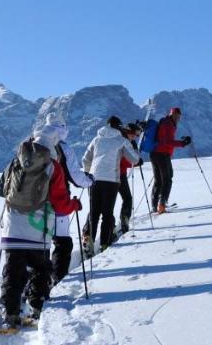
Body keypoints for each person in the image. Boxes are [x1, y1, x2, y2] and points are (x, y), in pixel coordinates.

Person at [0, 118, 91, 327]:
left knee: (13, 270)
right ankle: (36, 308)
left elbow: (1, 189)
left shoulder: (16, 161)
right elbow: (60, 205)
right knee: (40, 268)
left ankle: (10, 314)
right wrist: (74, 205)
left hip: (12, 224)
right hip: (38, 228)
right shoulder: (53, 167)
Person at [45, 117, 93, 289]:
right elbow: (75, 176)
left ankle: (33, 284)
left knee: (40, 244)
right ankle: (57, 281)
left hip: (31, 206)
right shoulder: (62, 147)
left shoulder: (31, 144)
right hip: (58, 203)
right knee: (62, 243)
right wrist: (89, 181)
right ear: (62, 129)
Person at [83, 116, 141, 251]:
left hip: (94, 179)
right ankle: (104, 243)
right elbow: (134, 159)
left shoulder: (96, 139)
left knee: (94, 213)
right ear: (119, 127)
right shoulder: (121, 140)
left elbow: (85, 159)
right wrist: (136, 152)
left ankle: (89, 241)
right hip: (111, 180)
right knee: (107, 213)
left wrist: (88, 173)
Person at [150, 107, 191, 214]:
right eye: (176, 116)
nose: (178, 118)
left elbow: (165, 139)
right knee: (167, 179)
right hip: (162, 154)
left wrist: (181, 142)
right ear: (172, 114)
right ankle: (162, 205)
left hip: (155, 153)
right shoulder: (168, 124)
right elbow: (167, 141)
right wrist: (182, 143)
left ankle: (155, 205)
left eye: (179, 116)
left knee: (159, 180)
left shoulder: (165, 122)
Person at [117, 122, 142, 235]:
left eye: (137, 135)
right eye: (134, 134)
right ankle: (124, 220)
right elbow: (123, 161)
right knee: (127, 198)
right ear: (128, 132)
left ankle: (123, 220)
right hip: (118, 175)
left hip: (108, 175)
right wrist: (135, 163)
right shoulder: (124, 142)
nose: (135, 137)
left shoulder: (120, 139)